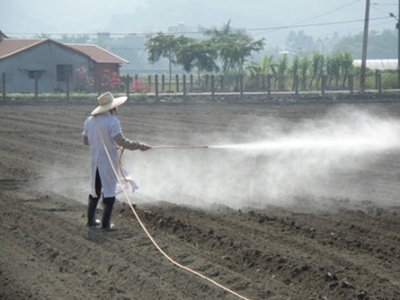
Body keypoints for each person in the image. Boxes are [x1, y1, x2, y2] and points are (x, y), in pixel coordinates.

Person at [82, 91, 151, 229]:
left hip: (94, 161)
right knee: (109, 190)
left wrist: (100, 144)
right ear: (112, 108)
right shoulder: (112, 121)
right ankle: (106, 224)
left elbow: (85, 140)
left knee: (94, 189)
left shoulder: (90, 120)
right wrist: (138, 146)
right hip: (107, 161)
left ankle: (91, 221)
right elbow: (120, 140)